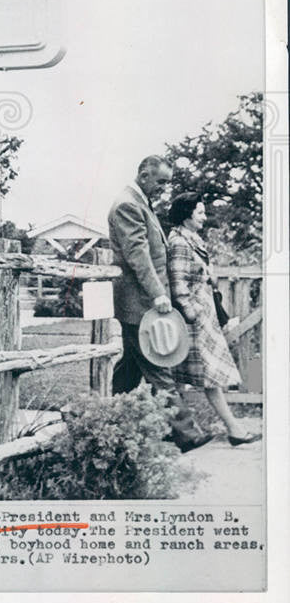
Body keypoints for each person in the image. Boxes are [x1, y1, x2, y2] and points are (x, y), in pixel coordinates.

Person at [108, 156, 212, 452]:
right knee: (159, 366)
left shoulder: (139, 201)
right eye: (161, 182)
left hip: (140, 302)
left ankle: (108, 419)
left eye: (168, 183)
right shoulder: (128, 204)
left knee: (129, 369)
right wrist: (158, 294)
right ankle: (186, 434)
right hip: (139, 302)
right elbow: (137, 255)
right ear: (143, 175)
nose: (165, 189)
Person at [167, 192, 261, 446]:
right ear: (187, 216)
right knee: (199, 376)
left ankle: (175, 428)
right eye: (200, 212)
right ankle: (234, 430)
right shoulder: (178, 242)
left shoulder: (192, 239)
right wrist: (193, 315)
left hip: (203, 316)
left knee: (183, 376)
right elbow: (178, 285)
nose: (204, 217)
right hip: (194, 320)